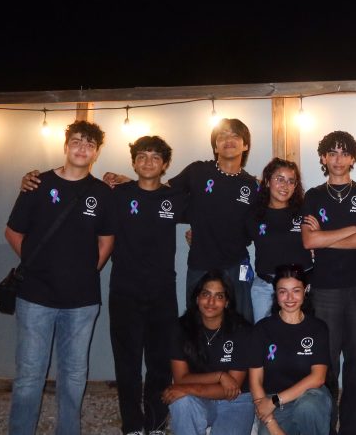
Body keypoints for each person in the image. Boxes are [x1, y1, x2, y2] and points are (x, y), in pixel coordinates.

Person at [21, 135, 187, 435]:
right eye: (142, 156)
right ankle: (133, 426)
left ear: (165, 165)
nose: (148, 161)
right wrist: (30, 179)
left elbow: (211, 214)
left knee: (160, 363)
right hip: (124, 291)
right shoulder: (116, 193)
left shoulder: (175, 197)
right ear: (134, 162)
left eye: (155, 157)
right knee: (128, 364)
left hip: (163, 292)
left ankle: (156, 424)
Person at [4, 121, 115, 435]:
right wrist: (37, 265)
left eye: (89, 144)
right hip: (35, 297)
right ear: (66, 146)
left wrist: (86, 270)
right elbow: (12, 231)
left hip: (81, 302)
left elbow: (107, 241)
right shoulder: (37, 184)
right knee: (29, 377)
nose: (82, 148)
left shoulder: (101, 194)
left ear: (96, 152)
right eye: (77, 141)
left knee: (74, 377)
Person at [100, 118, 260, 322]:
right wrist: (131, 183)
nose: (228, 140)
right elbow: (161, 194)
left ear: (245, 145)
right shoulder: (198, 171)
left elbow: (256, 227)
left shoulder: (253, 186)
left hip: (237, 265)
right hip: (200, 264)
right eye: (222, 135)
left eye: (235, 136)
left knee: (241, 325)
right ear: (215, 145)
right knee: (195, 327)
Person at [301, 130, 356, 435]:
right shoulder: (313, 196)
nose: (337, 159)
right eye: (331, 153)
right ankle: (327, 428)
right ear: (322, 158)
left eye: (344, 153)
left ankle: (350, 429)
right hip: (325, 290)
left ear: (353, 158)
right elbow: (309, 241)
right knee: (328, 363)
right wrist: (351, 231)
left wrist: (325, 238)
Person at [162, 271, 255, 435]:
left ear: (226, 302)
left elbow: (231, 389)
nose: (211, 302)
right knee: (180, 401)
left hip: (236, 401)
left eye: (219, 296)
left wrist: (188, 389)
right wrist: (219, 376)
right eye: (206, 294)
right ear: (197, 298)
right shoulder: (180, 328)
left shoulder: (242, 331)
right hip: (201, 400)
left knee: (182, 392)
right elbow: (181, 379)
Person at [250, 264, 332, 435]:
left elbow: (318, 378)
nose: (289, 297)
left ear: (305, 290)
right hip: (276, 405)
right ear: (275, 294)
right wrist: (270, 421)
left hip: (310, 397)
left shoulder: (318, 328)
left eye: (296, 290)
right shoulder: (262, 329)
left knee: (308, 407)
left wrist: (274, 401)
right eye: (282, 291)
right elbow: (255, 381)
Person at [248, 158, 311, 322]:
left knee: (301, 341)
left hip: (301, 289)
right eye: (279, 179)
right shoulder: (254, 215)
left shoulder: (305, 211)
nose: (285, 185)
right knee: (264, 341)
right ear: (268, 182)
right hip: (265, 289)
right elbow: (234, 240)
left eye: (291, 181)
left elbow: (320, 240)